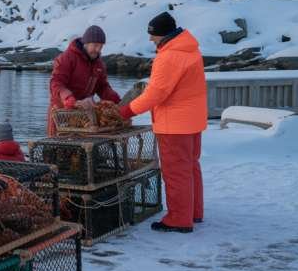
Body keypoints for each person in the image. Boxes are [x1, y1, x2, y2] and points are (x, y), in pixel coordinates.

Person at [118, 12, 207, 233]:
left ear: (164, 34)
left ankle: (178, 218)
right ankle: (193, 212)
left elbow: (155, 94)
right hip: (192, 120)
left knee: (176, 171)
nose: (151, 40)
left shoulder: (169, 57)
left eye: (153, 35)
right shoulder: (190, 49)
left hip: (174, 124)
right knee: (190, 167)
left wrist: (126, 111)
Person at [48, 25, 121, 136]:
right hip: (61, 112)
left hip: (84, 114)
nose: (98, 50)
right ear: (85, 43)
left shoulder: (99, 64)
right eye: (95, 45)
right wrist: (68, 97)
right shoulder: (66, 58)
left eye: (101, 46)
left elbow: (102, 86)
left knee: (82, 149)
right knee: (57, 145)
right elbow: (56, 83)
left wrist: (116, 100)